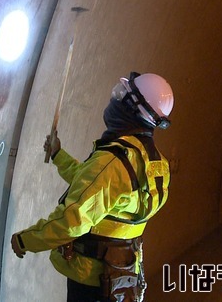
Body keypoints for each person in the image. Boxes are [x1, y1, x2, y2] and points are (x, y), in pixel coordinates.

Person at [10, 72, 174, 302]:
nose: (114, 100)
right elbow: (96, 187)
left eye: (122, 96)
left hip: (91, 279)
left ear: (133, 108)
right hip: (122, 276)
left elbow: (71, 221)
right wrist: (58, 155)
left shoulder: (113, 162)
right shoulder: (156, 164)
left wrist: (25, 240)